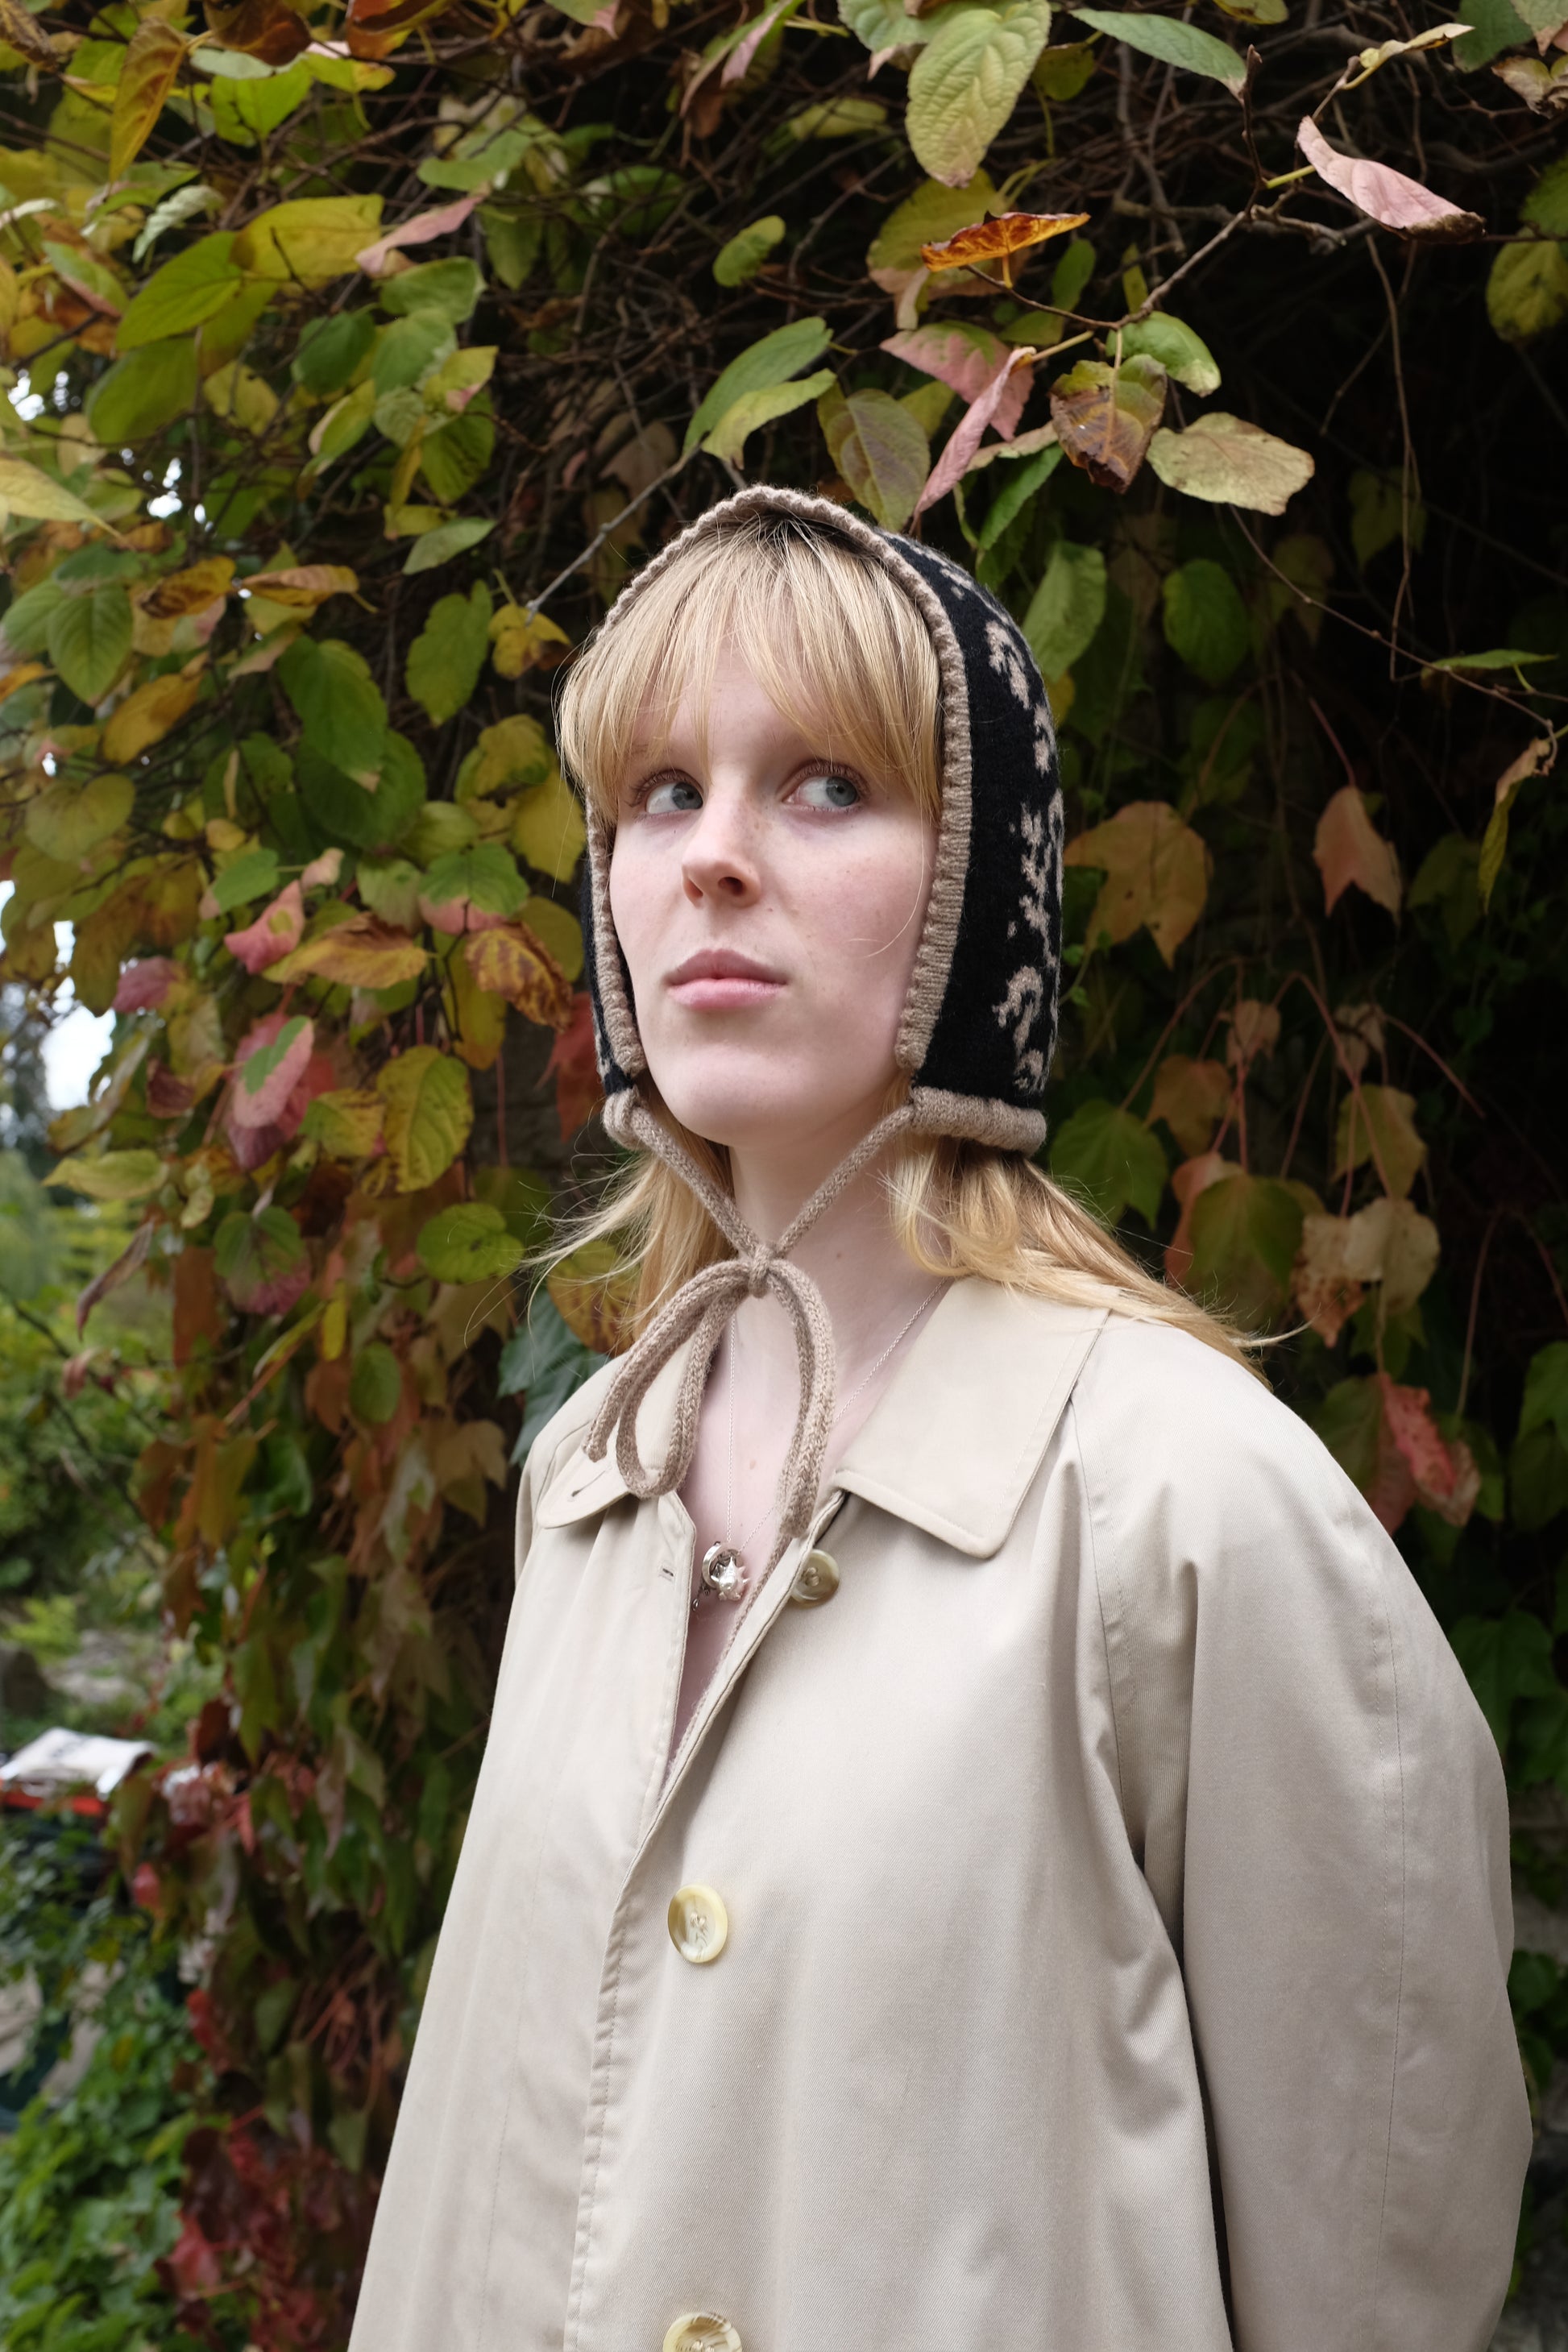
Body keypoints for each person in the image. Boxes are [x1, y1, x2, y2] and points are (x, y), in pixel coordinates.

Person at [350, 487, 1529, 2352]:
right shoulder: (592, 1473)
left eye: (824, 783)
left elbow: (1381, 2254)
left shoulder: (1188, 1506)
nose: (713, 857)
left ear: (981, 879)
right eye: (659, 791)